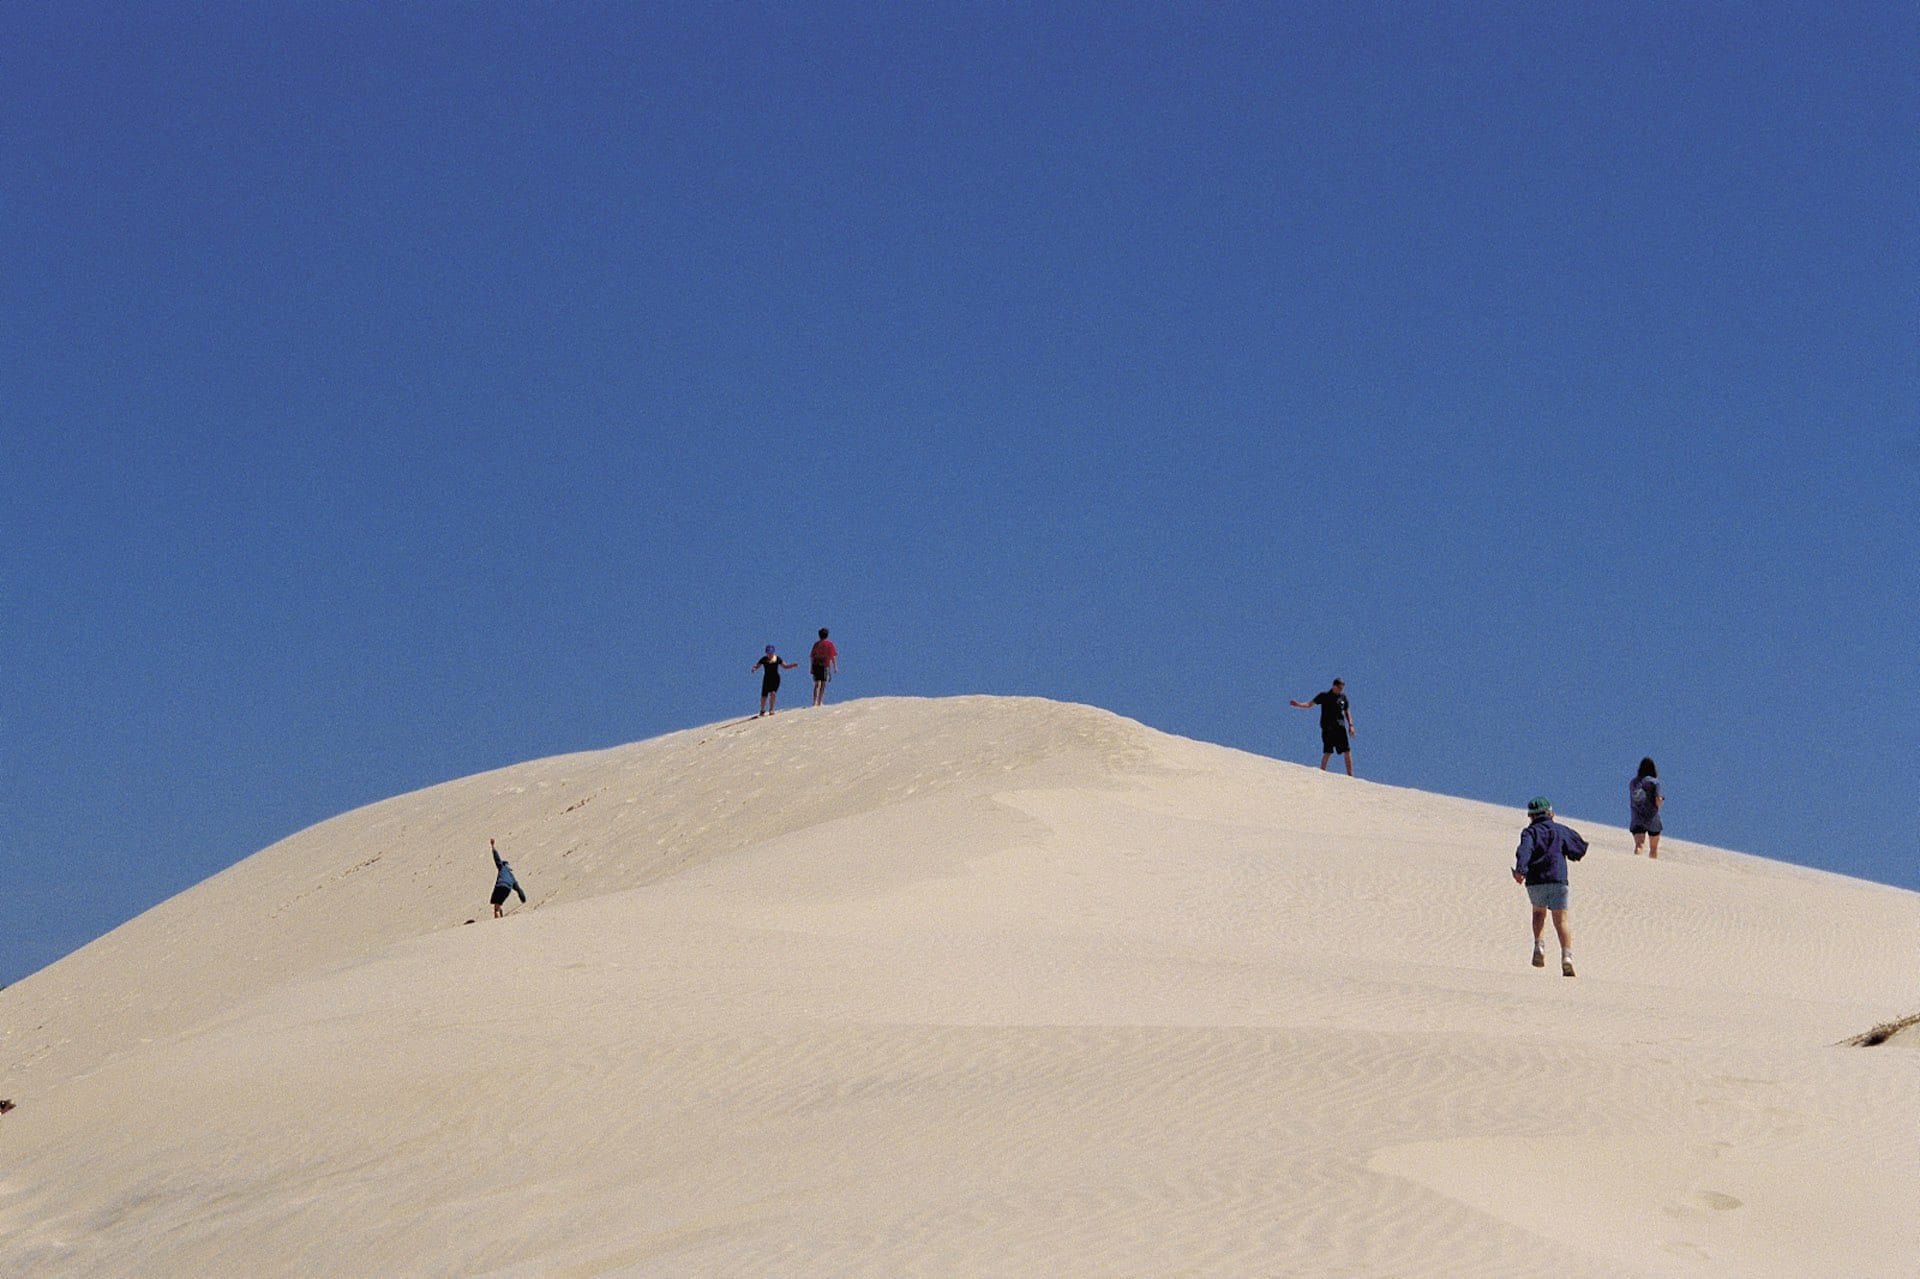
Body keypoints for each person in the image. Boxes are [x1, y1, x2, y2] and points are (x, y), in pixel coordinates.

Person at [1511, 797, 1588, 976]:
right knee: (1561, 920)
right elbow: (1578, 849)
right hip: (1558, 880)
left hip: (1535, 881)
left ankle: (1539, 945)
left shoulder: (1529, 833)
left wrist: (1521, 870)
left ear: (1531, 816)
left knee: (1538, 913)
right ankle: (1567, 957)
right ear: (1550, 813)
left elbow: (1525, 850)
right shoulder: (1560, 830)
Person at [1289, 678, 1356, 775]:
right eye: (1339, 688)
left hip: (1340, 727)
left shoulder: (1343, 698)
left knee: (1347, 751)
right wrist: (1298, 705)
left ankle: (1350, 775)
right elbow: (1309, 704)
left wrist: (1351, 725)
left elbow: (1347, 711)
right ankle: (1322, 773)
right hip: (1328, 727)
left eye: (1342, 688)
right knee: (1328, 751)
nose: (1341, 690)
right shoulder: (1324, 696)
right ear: (1334, 686)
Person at [1630, 757, 1664, 858]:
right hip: (1652, 818)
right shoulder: (1654, 782)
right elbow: (1658, 799)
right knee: (1653, 849)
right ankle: (1652, 868)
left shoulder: (1633, 782)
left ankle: (1636, 864)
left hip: (1637, 817)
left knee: (1639, 845)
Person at [752, 644, 797, 716]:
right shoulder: (764, 659)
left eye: (771, 653)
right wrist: (754, 669)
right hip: (766, 679)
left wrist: (792, 665)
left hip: (775, 678)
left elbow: (785, 666)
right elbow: (757, 665)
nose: (769, 654)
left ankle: (771, 709)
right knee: (764, 695)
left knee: (773, 693)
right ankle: (762, 710)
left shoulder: (778, 659)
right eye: (768, 653)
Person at [489, 838, 526, 918]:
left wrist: (493, 847)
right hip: (507, 888)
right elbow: (518, 889)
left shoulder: (501, 867)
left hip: (500, 885)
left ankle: (496, 921)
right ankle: (501, 918)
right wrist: (523, 898)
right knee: (499, 903)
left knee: (496, 905)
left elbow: (497, 859)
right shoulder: (511, 876)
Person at [809, 628, 838, 707]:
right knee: (823, 684)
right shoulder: (830, 644)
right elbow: (833, 656)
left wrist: (811, 667)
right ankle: (820, 701)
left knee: (816, 684)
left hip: (816, 665)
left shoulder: (816, 644)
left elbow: (812, 657)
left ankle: (814, 701)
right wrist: (835, 666)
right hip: (825, 665)